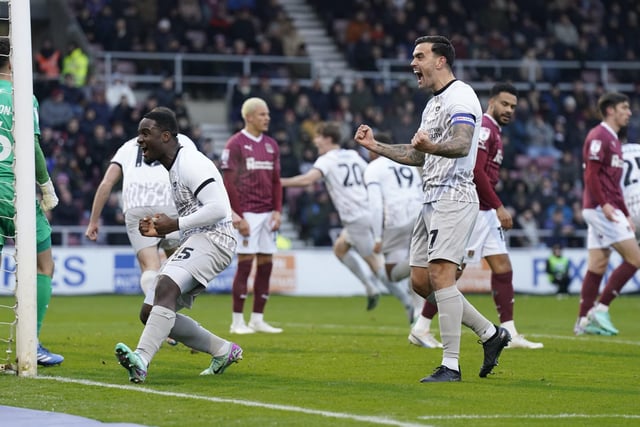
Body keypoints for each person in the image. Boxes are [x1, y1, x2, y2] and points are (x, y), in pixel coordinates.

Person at [354, 35, 511, 383]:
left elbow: (461, 143)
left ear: (440, 61)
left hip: (454, 196)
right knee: (422, 282)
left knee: (441, 277)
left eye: (419, 56)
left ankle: (450, 366)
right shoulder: (431, 105)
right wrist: (374, 145)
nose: (413, 64)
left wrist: (432, 145)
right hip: (429, 198)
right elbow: (417, 155)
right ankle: (490, 334)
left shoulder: (461, 95)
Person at [409, 83, 543, 350]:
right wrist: (498, 206)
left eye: (513, 107)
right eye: (504, 104)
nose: (509, 110)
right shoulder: (484, 128)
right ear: (491, 102)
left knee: (503, 268)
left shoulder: (495, 130)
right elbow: (477, 171)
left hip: (486, 213)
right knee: (448, 275)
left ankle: (509, 330)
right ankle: (422, 327)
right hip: (473, 210)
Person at [114, 108, 242, 383]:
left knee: (166, 286)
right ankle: (223, 350)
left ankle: (141, 360)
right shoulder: (173, 167)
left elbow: (219, 209)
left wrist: (175, 224)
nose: (139, 141)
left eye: (145, 134)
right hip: (198, 238)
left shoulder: (190, 162)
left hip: (215, 239)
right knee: (149, 313)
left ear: (166, 135)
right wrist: (160, 226)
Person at [85, 110, 198, 345]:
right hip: (169, 203)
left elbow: (107, 182)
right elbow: (195, 171)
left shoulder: (128, 146)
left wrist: (93, 220)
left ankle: (160, 319)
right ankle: (164, 317)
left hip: (136, 205)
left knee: (150, 266)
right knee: (177, 265)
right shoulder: (182, 140)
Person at [281, 122, 394, 312]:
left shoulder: (326, 159)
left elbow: (308, 180)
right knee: (340, 249)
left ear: (327, 138)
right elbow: (370, 175)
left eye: (318, 136)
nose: (315, 141)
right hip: (367, 213)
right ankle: (370, 287)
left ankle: (410, 303)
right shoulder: (352, 154)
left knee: (375, 264)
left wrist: (280, 182)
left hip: (356, 217)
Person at [0, 38, 63, 366]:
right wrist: (46, 187)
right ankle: (32, 344)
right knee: (42, 265)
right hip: (15, 193)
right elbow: (33, 148)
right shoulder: (23, 96)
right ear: (13, 61)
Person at [574, 92, 640, 336]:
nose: (629, 112)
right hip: (600, 210)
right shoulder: (599, 135)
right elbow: (591, 174)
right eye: (625, 107)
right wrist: (604, 205)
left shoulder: (614, 141)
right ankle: (600, 310)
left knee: (598, 264)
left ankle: (582, 322)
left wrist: (626, 214)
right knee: (635, 258)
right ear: (611, 110)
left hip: (609, 208)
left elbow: (615, 184)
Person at [220, 97, 283, 335]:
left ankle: (258, 318)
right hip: (247, 212)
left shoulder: (271, 145)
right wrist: (238, 215)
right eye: (262, 114)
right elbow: (229, 182)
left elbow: (277, 181)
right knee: (245, 265)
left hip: (268, 214)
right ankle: (237, 322)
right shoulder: (235, 144)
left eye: (267, 114)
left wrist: (278, 210)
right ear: (249, 117)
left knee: (266, 265)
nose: (267, 118)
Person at [363, 132, 425, 324]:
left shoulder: (374, 167)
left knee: (391, 274)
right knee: (414, 271)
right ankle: (418, 314)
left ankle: (423, 262)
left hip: (396, 220)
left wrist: (377, 237)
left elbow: (375, 205)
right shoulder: (406, 162)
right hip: (420, 213)